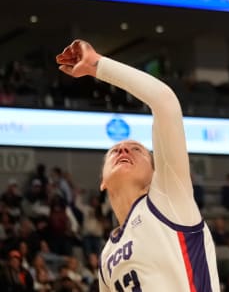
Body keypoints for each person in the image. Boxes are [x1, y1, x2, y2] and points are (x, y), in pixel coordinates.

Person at [55, 40, 219, 291]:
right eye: (114, 151)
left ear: (156, 174)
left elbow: (165, 102)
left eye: (137, 150)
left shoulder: (168, 199)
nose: (123, 149)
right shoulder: (108, 254)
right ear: (102, 181)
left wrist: (97, 66)